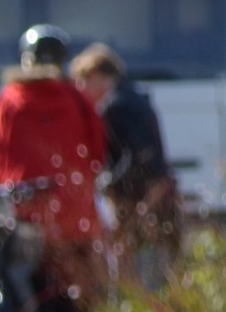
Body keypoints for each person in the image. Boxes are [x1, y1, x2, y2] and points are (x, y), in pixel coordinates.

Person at [0, 25, 112, 312]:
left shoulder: (9, 100)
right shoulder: (76, 100)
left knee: (28, 306)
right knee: (73, 308)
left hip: (29, 224)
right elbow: (97, 155)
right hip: (76, 222)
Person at [71, 44, 182, 291]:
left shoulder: (115, 107)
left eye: (82, 80)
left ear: (96, 74)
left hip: (140, 203)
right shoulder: (136, 98)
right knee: (159, 272)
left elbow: (136, 157)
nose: (81, 89)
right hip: (158, 200)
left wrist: (107, 183)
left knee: (141, 278)